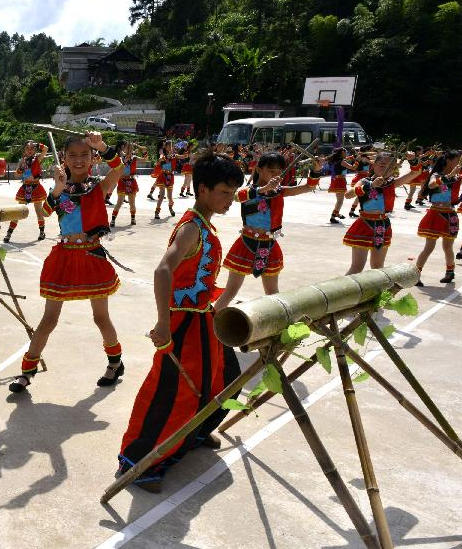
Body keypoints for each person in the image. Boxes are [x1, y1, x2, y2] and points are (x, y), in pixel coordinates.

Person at [117, 151, 244, 493]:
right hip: (183, 325)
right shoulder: (190, 227)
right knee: (172, 391)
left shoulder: (205, 225)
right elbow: (163, 271)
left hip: (205, 321)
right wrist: (162, 324)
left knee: (218, 381)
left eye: (232, 193)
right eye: (224, 192)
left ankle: (194, 434)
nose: (230, 200)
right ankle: (138, 463)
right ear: (202, 189)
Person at [7, 132, 125, 394]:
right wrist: (58, 189)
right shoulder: (59, 189)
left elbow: (119, 167)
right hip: (64, 255)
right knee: (49, 319)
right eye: (73, 155)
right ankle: (27, 372)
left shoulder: (99, 186)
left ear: (93, 158)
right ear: (64, 158)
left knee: (100, 317)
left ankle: (115, 362)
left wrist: (102, 145)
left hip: (92, 255)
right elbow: (46, 212)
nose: (79, 160)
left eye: (85, 154)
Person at [214, 152, 316, 311]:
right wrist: (264, 189)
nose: (276, 174)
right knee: (231, 291)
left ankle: (279, 324)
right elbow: (236, 197)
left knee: (272, 293)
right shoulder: (250, 191)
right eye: (271, 171)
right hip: (246, 244)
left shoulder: (280, 191)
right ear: (259, 170)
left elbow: (308, 187)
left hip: (269, 244)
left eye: (279, 171)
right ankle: (210, 321)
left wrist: (315, 171)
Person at [343, 151, 422, 274]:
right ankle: (344, 292)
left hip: (383, 225)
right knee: (357, 267)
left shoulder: (392, 183)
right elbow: (348, 195)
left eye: (391, 166)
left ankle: (376, 292)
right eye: (382, 165)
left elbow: (415, 172)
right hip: (364, 224)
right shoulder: (364, 181)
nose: (387, 169)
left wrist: (412, 160)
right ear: (373, 165)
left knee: (378, 267)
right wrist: (370, 186)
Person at [413, 150, 461, 284]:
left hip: (450, 213)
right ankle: (416, 274)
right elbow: (431, 184)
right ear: (448, 161)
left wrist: (453, 176)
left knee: (448, 247)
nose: (459, 163)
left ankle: (450, 272)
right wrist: (450, 175)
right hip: (436, 213)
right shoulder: (436, 174)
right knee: (429, 247)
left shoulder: (457, 176)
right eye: (457, 160)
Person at [4, 140, 48, 243]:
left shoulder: (38, 158)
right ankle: (9, 233)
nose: (29, 150)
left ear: (35, 150)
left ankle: (42, 232)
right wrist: (20, 169)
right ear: (24, 150)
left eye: (32, 148)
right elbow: (16, 175)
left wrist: (37, 144)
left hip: (36, 188)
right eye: (27, 148)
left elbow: (45, 149)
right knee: (19, 211)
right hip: (26, 187)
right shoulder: (22, 160)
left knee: (38, 211)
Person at [110, 143, 142, 227]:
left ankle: (133, 218)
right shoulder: (120, 158)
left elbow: (145, 159)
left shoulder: (134, 158)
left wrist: (143, 150)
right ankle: (113, 219)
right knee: (119, 202)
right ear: (124, 149)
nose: (129, 151)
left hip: (131, 181)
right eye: (127, 149)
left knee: (132, 202)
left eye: (131, 149)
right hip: (122, 181)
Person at [328, 147, 357, 224]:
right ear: (342, 153)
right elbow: (353, 168)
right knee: (340, 201)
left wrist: (350, 157)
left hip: (338, 180)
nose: (347, 153)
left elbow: (345, 160)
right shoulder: (342, 161)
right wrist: (357, 161)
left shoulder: (338, 160)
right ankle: (333, 216)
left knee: (339, 200)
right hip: (340, 181)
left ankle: (336, 213)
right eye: (345, 152)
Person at [153, 141, 178, 219]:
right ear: (165, 147)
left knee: (170, 196)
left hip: (170, 176)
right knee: (162, 195)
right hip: (163, 176)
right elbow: (159, 159)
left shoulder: (174, 155)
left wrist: (187, 153)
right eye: (169, 146)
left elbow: (182, 156)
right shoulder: (163, 154)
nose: (171, 148)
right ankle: (157, 212)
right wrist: (164, 158)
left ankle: (170, 208)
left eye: (172, 146)